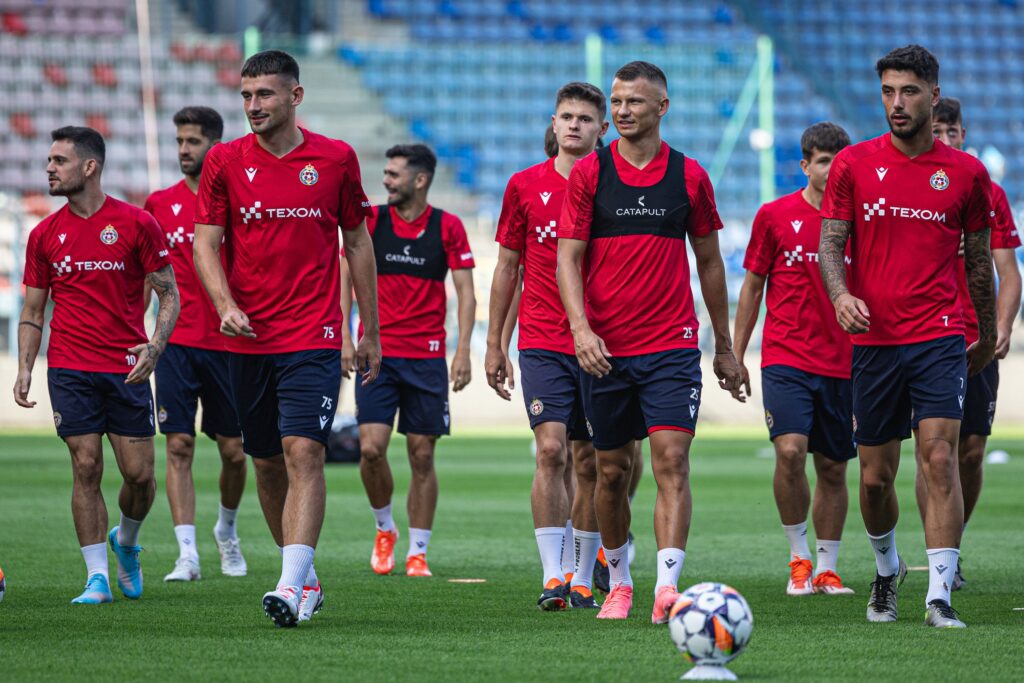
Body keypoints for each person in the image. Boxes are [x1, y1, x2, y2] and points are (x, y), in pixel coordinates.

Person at [193, 50, 381, 628]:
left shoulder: (335, 158)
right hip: (248, 338)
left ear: (295, 97)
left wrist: (367, 328)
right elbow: (205, 243)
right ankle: (305, 579)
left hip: (313, 333)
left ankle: (287, 587)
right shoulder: (224, 161)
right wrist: (225, 304)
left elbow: (357, 244)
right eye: (246, 96)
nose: (253, 106)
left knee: (306, 452)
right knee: (267, 462)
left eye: (265, 95)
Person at [557, 62, 743, 621]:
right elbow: (568, 257)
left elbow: (709, 262)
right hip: (605, 351)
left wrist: (726, 346)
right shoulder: (590, 173)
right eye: (616, 101)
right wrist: (581, 329)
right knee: (610, 471)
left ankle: (667, 587)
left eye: (633, 102)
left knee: (672, 462)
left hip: (671, 347)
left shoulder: (690, 177)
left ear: (662, 108)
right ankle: (619, 583)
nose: (621, 111)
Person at [818, 45, 996, 628]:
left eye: (909, 92)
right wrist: (842, 295)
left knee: (940, 457)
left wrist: (987, 333)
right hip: (874, 341)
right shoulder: (853, 165)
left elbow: (977, 262)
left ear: (933, 95)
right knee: (873, 478)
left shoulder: (967, 173)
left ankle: (938, 594)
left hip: (940, 333)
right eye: (889, 92)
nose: (897, 103)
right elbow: (830, 243)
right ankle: (887, 569)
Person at [15, 126, 179, 604]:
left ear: (90, 167)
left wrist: (156, 345)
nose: (49, 168)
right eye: (49, 160)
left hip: (126, 367)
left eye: (59, 161)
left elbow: (169, 293)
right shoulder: (44, 234)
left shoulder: (135, 224)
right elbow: (33, 310)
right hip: (69, 366)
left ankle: (125, 542)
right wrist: (25, 368)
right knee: (85, 465)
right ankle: (96, 578)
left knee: (140, 476)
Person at [486, 82, 611, 610]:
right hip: (542, 339)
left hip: (602, 340)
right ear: (554, 124)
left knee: (592, 463)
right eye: (567, 116)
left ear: (603, 129)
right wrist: (494, 343)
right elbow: (508, 267)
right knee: (551, 450)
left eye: (585, 118)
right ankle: (553, 575)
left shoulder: (617, 188)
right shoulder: (524, 186)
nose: (575, 125)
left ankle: (584, 574)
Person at [732, 122, 857, 596]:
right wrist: (736, 352)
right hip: (785, 356)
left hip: (846, 361)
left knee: (833, 466)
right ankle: (798, 557)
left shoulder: (862, 219)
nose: (832, 169)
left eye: (839, 161)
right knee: (789, 452)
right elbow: (752, 287)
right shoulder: (775, 216)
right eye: (823, 161)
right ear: (805, 166)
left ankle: (827, 567)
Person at [341, 144, 476, 579]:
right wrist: (345, 332)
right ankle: (385, 529)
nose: (385, 180)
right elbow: (344, 278)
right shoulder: (371, 222)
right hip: (376, 356)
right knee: (371, 450)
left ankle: (418, 551)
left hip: (427, 360)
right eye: (385, 172)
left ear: (420, 180)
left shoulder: (448, 227)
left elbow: (467, 294)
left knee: (421, 456)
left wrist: (462, 351)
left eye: (394, 174)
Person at [913, 97, 1022, 589]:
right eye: (939, 130)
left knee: (972, 450)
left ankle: (952, 546)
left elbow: (1007, 270)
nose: (947, 138)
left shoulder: (986, 191)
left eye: (953, 130)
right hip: (923, 334)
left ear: (963, 132)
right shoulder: (909, 189)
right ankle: (935, 552)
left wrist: (1001, 324)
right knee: (933, 450)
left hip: (974, 338)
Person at [145, 106, 248, 582]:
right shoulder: (157, 204)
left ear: (215, 145)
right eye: (180, 141)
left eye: (193, 141)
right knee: (179, 444)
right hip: (177, 345)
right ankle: (186, 553)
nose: (184, 150)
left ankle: (226, 530)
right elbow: (146, 278)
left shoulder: (237, 199)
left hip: (229, 345)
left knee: (233, 451)